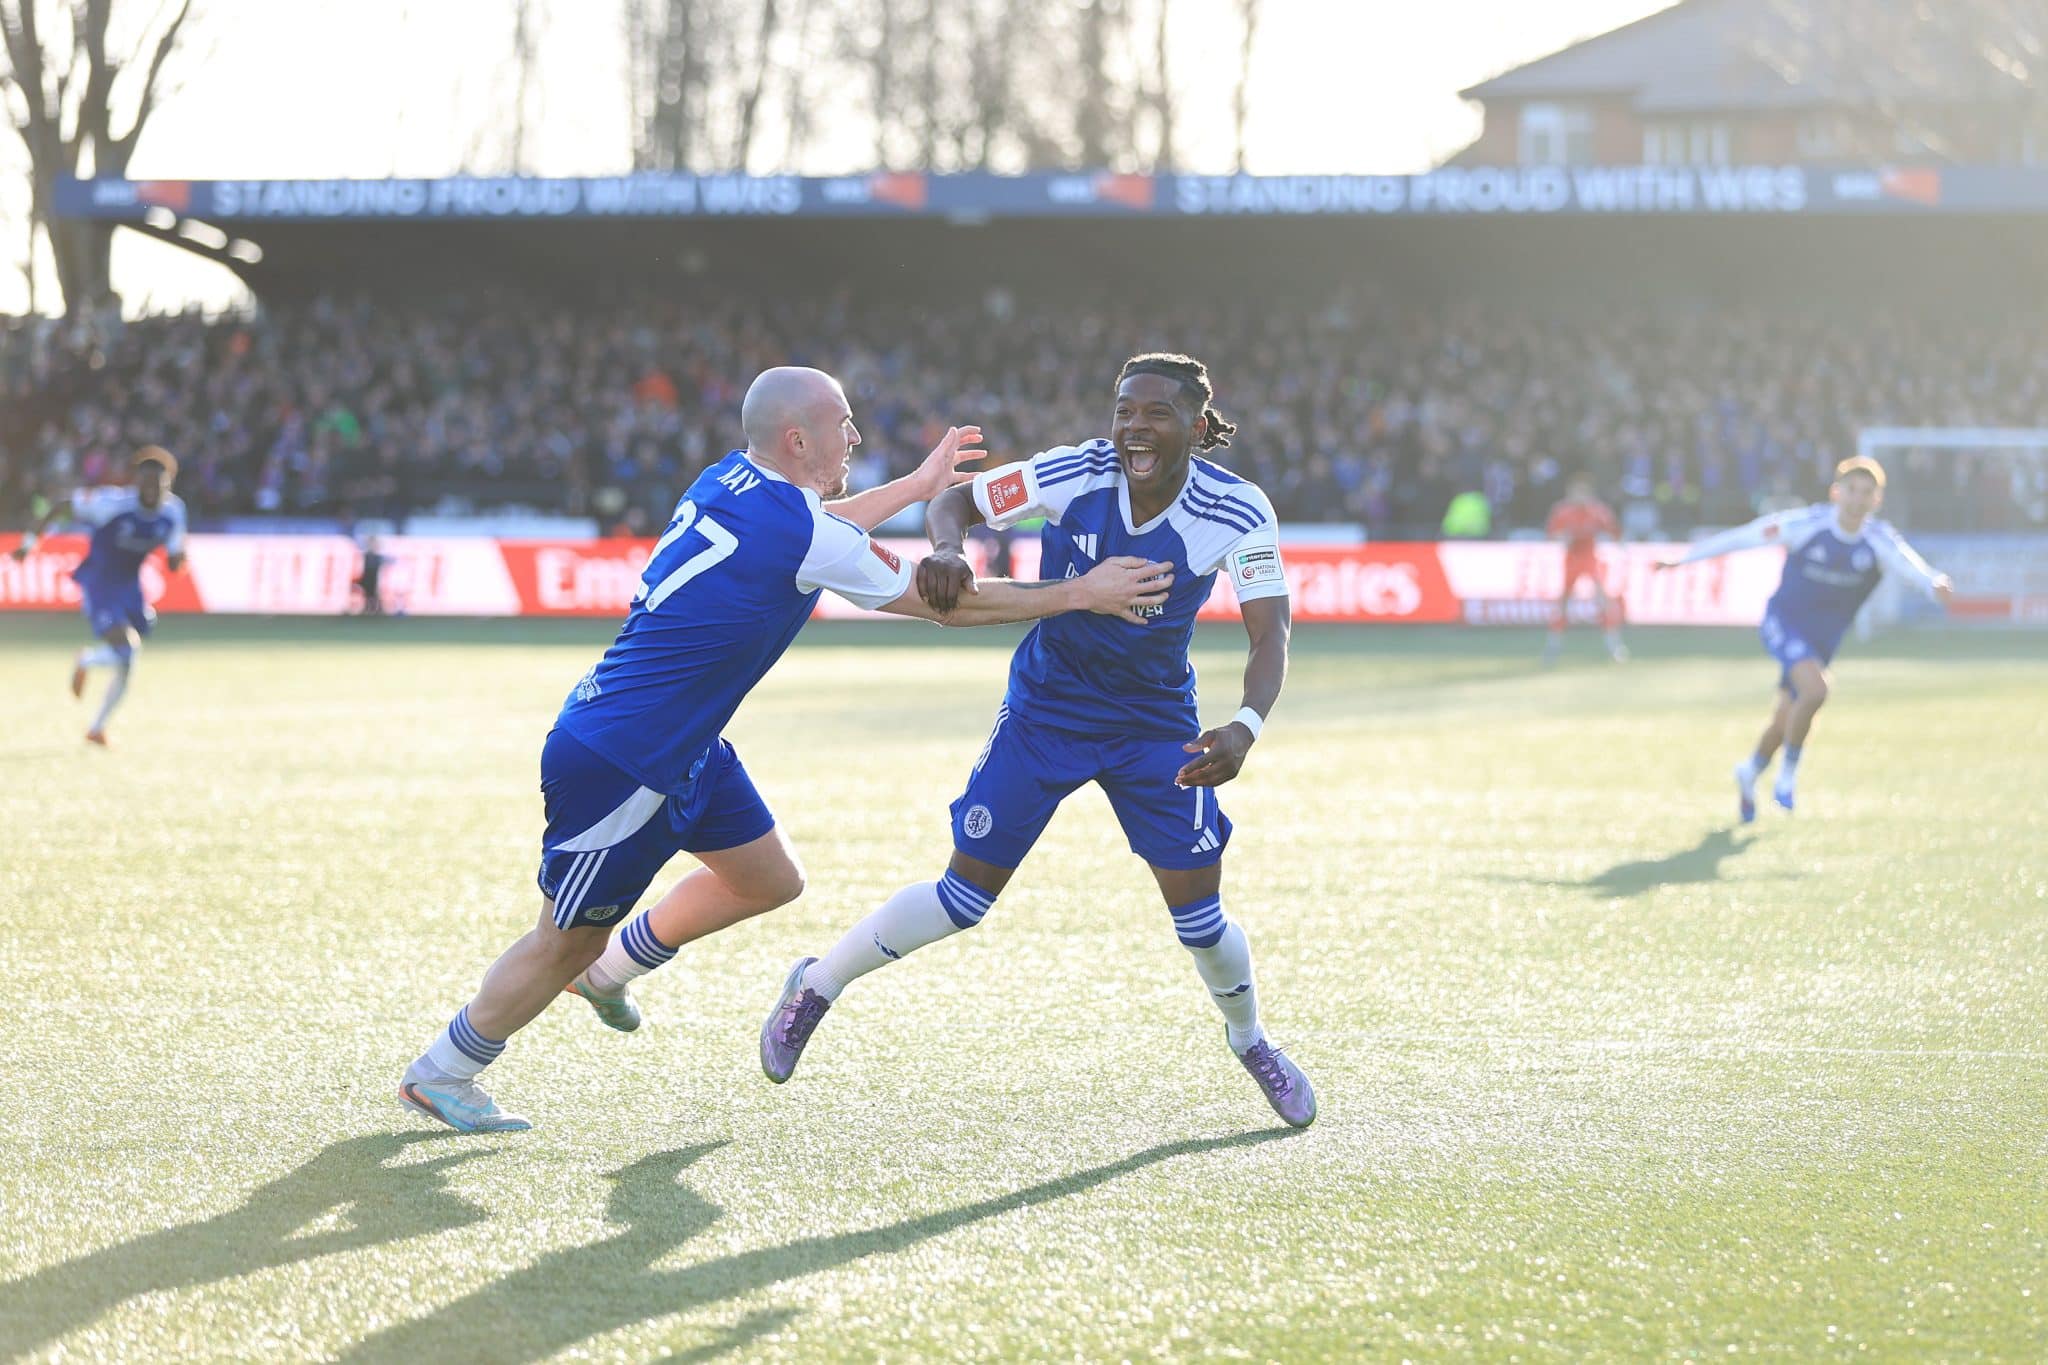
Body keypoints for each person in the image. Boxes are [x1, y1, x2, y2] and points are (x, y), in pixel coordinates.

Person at [398, 367, 1172, 1133]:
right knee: (561, 941)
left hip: (683, 746)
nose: (856, 436)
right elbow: (947, 603)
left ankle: (611, 972)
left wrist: (914, 485)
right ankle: (445, 1070)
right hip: (624, 760)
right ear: (800, 438)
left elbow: (824, 532)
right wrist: (1081, 592)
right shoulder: (800, 531)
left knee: (768, 877)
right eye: (843, 424)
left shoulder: (730, 478)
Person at [756, 353, 1317, 1129]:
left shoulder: (1238, 509)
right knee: (963, 897)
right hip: (1047, 709)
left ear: (1195, 424)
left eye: (1154, 413)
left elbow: (1271, 629)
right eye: (1123, 411)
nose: (1132, 427)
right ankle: (815, 985)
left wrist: (1246, 726)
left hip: (1154, 725)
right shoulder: (1071, 471)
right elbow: (956, 503)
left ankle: (1251, 1039)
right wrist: (950, 550)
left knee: (1200, 916)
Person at [1656, 457, 1952, 821]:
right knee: (1816, 691)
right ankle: (1787, 779)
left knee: (1786, 718)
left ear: (1877, 500)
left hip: (1823, 640)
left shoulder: (1879, 540)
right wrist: (1686, 559)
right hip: (1783, 622)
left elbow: (1913, 568)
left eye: (1867, 494)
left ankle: (1749, 772)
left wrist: (1935, 583)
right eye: (1851, 491)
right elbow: (1744, 537)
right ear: (1836, 493)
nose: (1857, 500)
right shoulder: (1805, 524)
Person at [10, 447, 188, 746]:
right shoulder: (111, 503)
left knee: (127, 660)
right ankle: (88, 659)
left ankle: (97, 727)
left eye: (159, 485)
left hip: (131, 587)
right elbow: (61, 507)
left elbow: (175, 556)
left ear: (168, 485)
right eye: (146, 483)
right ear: (135, 483)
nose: (151, 491)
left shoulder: (174, 511)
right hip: (100, 582)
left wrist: (178, 559)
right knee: (127, 649)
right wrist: (30, 543)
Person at [1543, 473, 1628, 665]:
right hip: (1571, 559)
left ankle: (1614, 646)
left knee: (1602, 599)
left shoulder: (1598, 511)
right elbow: (1552, 534)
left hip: (1590, 559)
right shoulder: (1562, 511)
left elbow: (1614, 530)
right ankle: (1553, 646)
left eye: (1583, 491)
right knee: (1563, 603)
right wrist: (1563, 538)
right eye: (1576, 491)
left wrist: (1621, 546)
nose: (1580, 495)